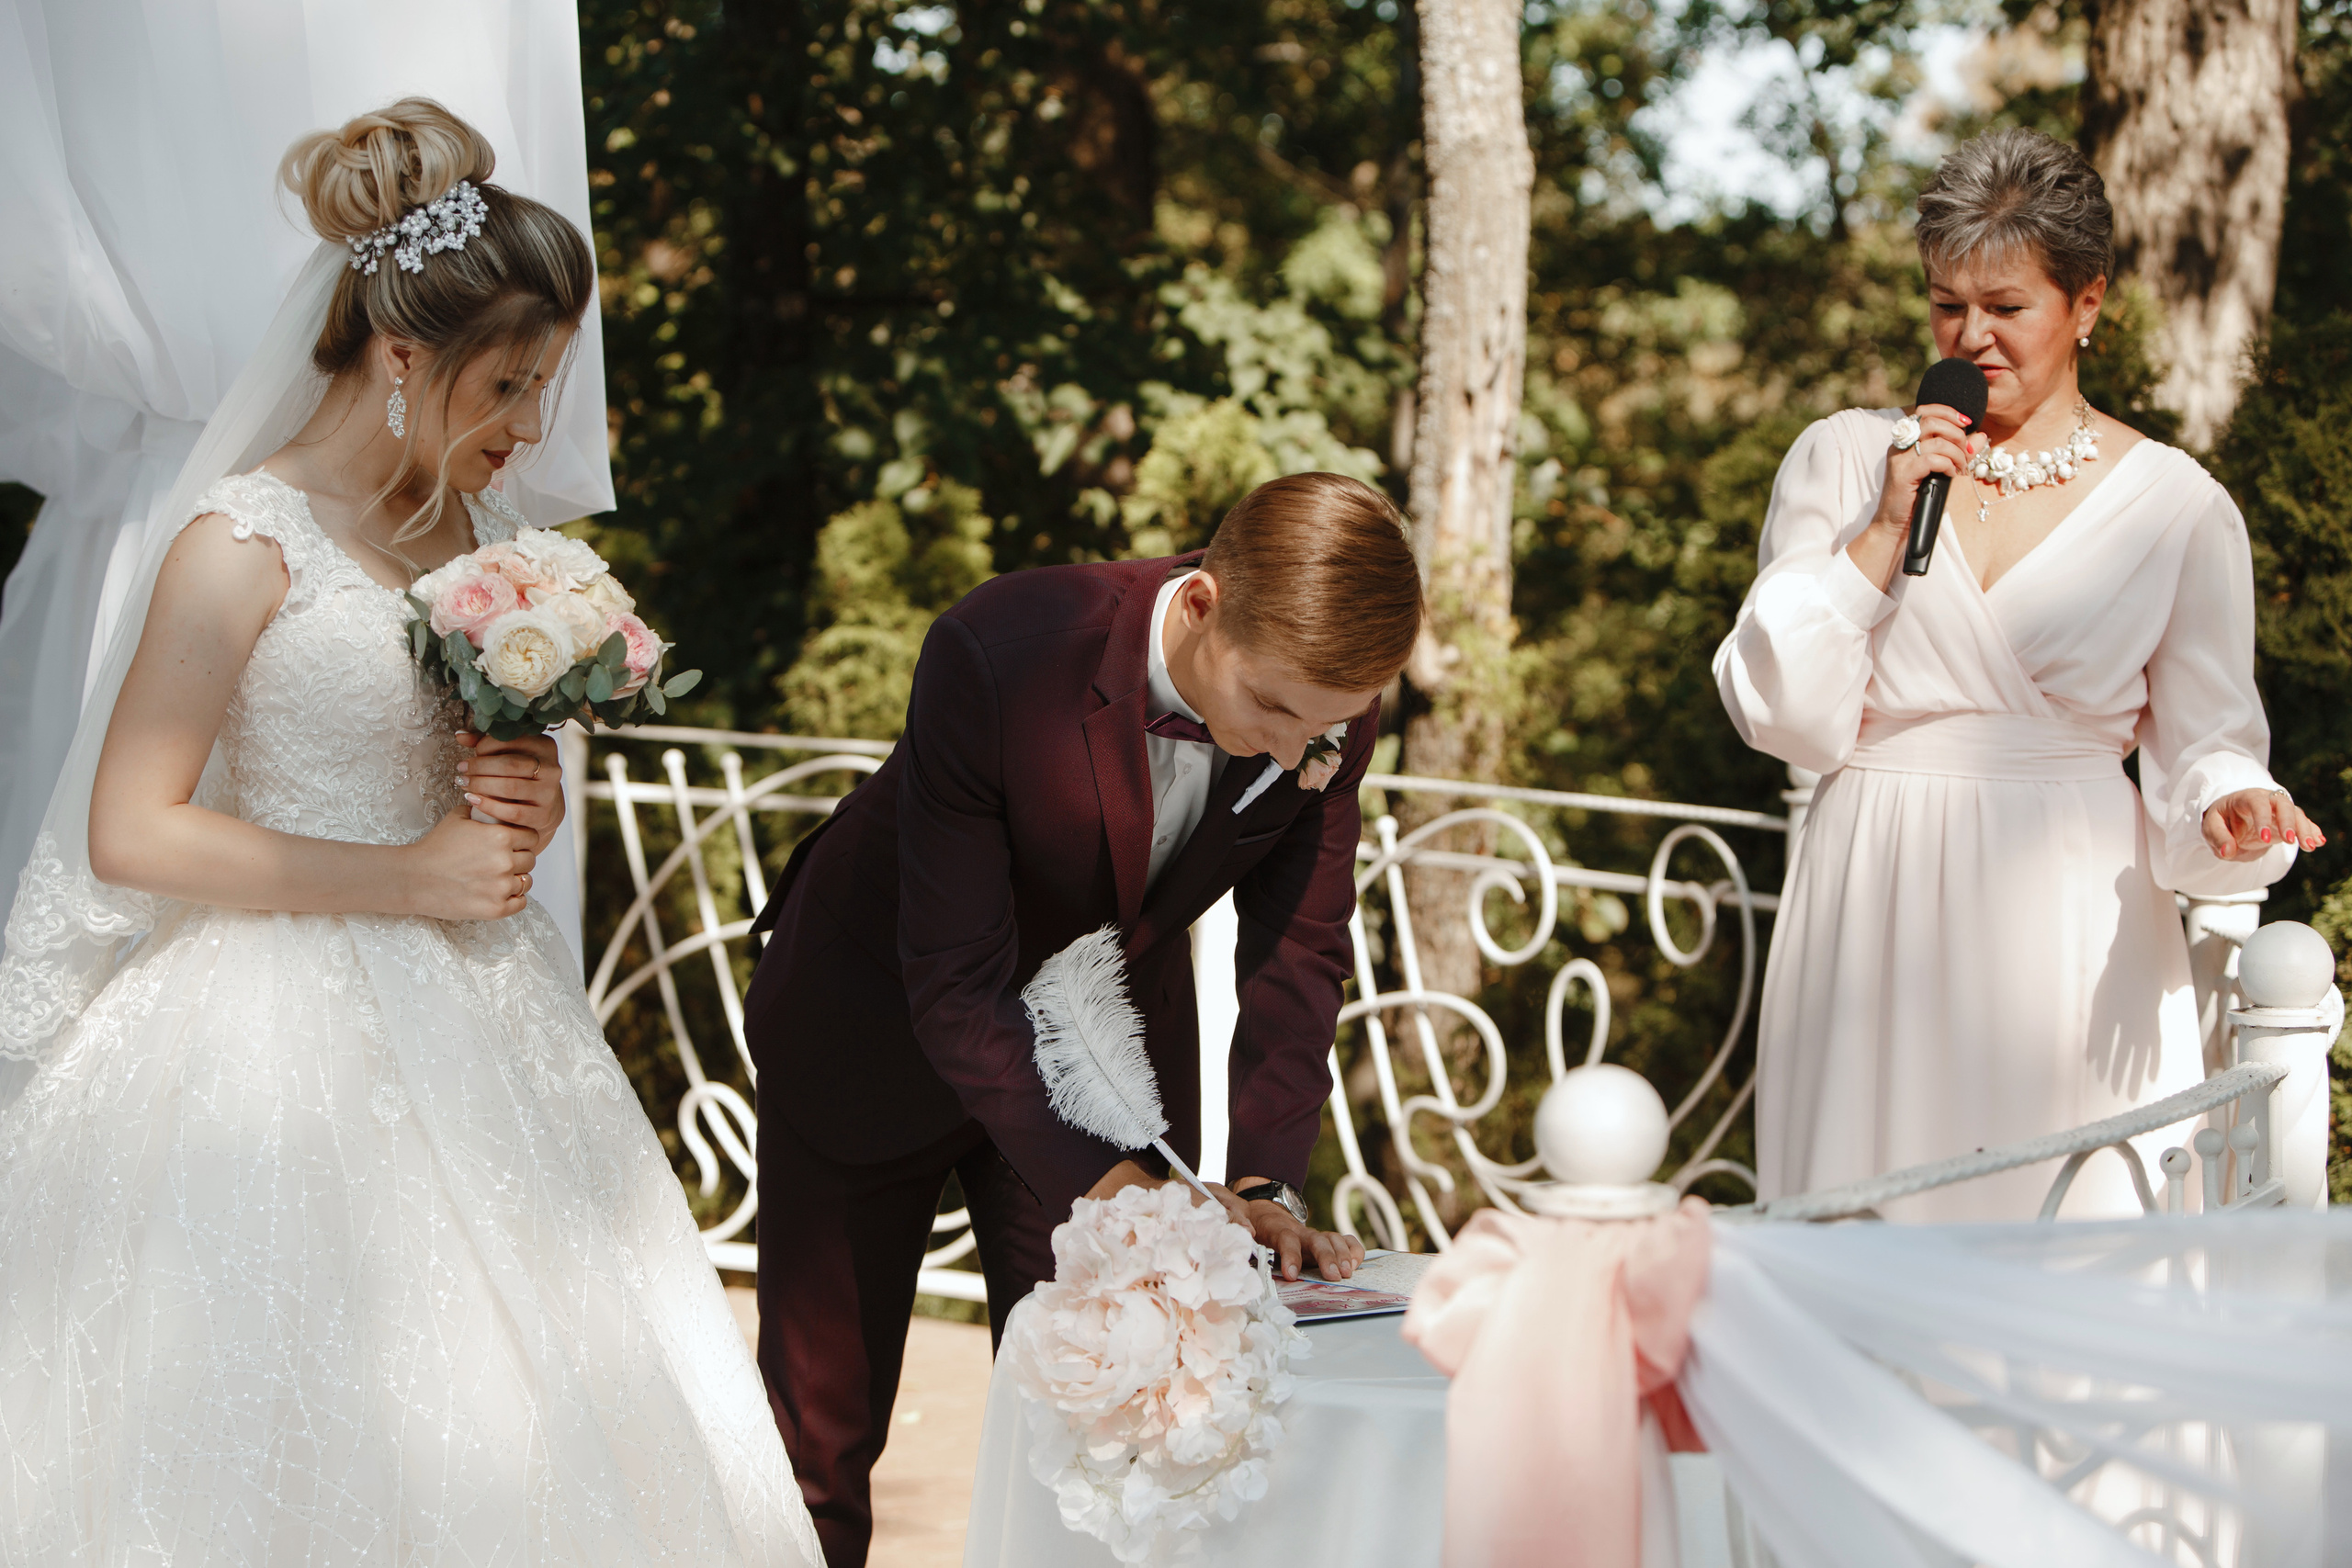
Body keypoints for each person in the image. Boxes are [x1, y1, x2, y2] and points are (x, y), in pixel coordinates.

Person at [0, 102, 821, 1564]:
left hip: (482, 1008)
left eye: (549, 384)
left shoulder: (478, 541)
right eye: (508, 383)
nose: (530, 426)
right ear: (397, 356)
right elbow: (131, 828)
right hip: (253, 1030)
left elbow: (463, 774)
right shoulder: (238, 542)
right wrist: (411, 874)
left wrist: (520, 798)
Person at [742, 471, 1422, 1564]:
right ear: (1200, 606)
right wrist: (1119, 1192)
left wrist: (1256, 1181)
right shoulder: (1000, 648)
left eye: (1328, 728)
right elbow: (955, 983)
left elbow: (1297, 954)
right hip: (873, 1029)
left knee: (1126, 1430)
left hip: (1102, 1060)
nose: (1304, 753)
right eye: (1278, 712)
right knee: (819, 1445)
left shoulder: (1325, 701)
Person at [1714, 127, 2324, 1223]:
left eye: (2006, 307)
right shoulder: (1846, 459)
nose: (1972, 337)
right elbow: (1779, 710)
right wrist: (1880, 532)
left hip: (2074, 917)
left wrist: (2232, 803)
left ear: (2086, 303)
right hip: (1872, 900)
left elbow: (2206, 741)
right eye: (1948, 306)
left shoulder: (2181, 509)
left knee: (2068, 1235)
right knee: (1867, 1234)